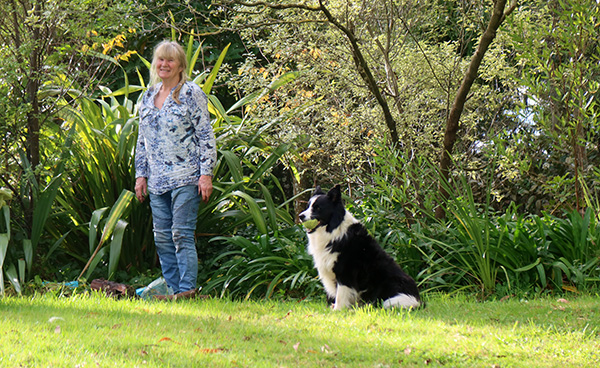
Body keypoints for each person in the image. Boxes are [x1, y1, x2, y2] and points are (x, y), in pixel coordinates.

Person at [134, 40, 216, 298]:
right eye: (160, 59)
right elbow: (142, 140)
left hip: (186, 177)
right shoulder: (148, 96)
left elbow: (206, 136)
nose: (164, 64)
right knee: (162, 239)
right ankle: (171, 291)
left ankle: (187, 291)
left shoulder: (191, 93)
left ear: (180, 65)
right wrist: (140, 175)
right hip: (157, 182)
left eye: (170, 60)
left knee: (181, 234)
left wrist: (206, 175)